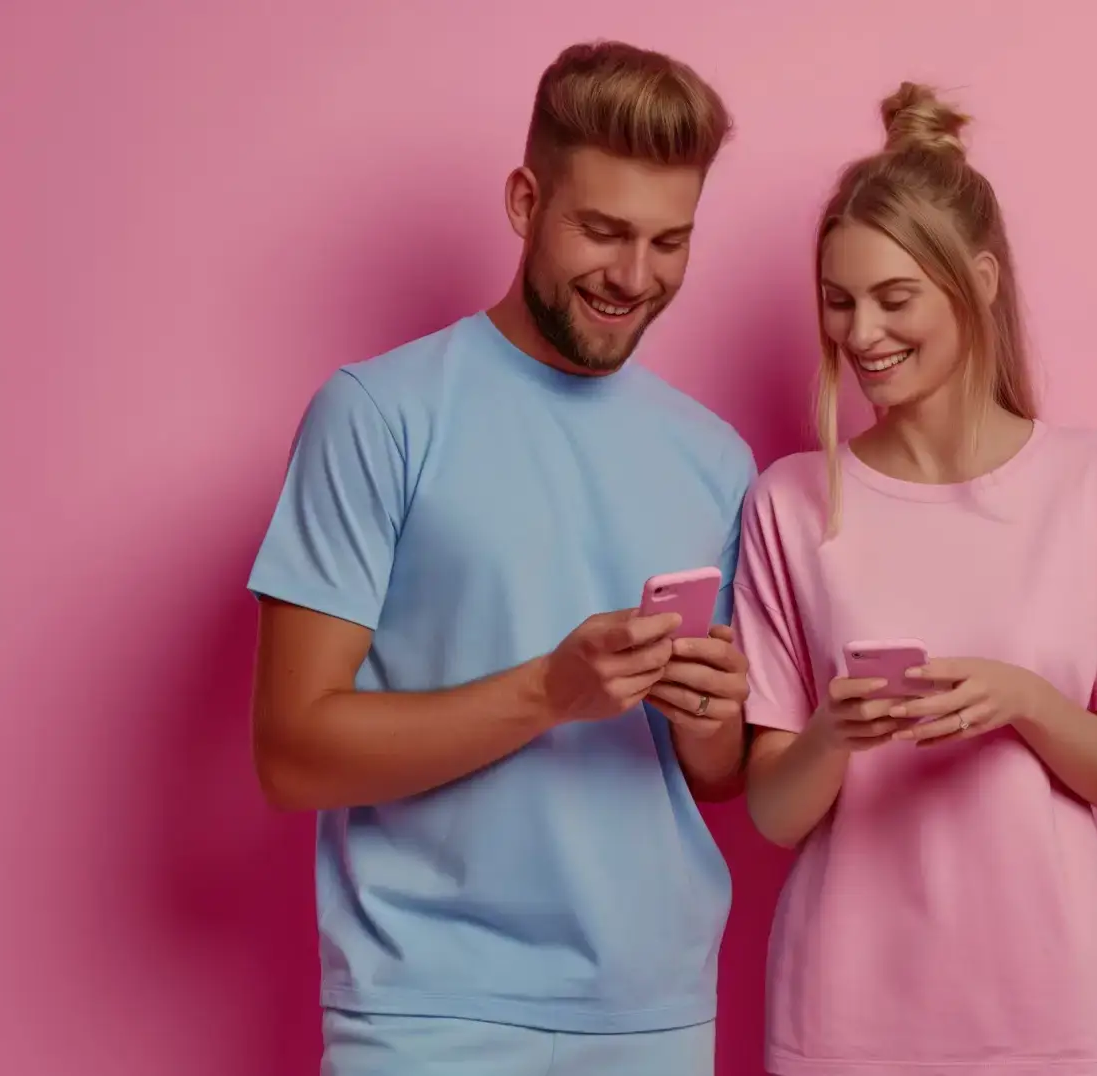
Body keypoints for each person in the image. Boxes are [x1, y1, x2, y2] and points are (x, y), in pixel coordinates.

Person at [246, 41, 757, 1075]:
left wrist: (713, 721)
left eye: (670, 241)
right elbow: (291, 751)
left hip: (653, 1010)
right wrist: (550, 690)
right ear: (526, 201)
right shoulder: (378, 414)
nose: (635, 276)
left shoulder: (717, 456)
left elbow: (715, 779)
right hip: (427, 1011)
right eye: (603, 230)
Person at [736, 83, 1097, 1076]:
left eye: (893, 297)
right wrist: (835, 729)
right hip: (843, 1019)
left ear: (980, 279)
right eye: (838, 301)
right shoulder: (791, 502)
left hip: (1058, 1016)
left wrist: (1025, 699)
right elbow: (775, 813)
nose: (861, 332)